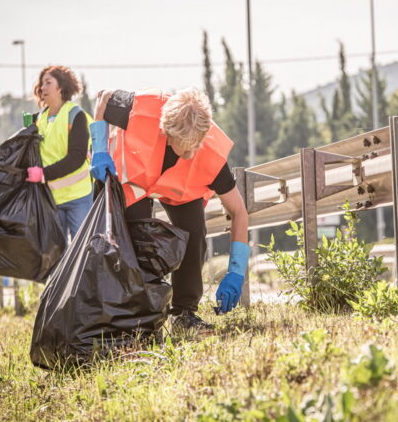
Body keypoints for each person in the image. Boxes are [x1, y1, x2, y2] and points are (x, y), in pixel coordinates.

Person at [89, 87, 249, 331]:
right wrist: (99, 149)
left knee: (194, 237)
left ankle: (184, 315)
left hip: (182, 189)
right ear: (167, 132)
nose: (191, 154)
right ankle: (136, 319)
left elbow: (239, 211)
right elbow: (102, 97)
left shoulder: (210, 157)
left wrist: (236, 271)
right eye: (185, 148)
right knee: (135, 243)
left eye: (197, 145)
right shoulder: (140, 112)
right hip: (135, 178)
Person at [25, 65, 93, 243]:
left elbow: (76, 158)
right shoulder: (39, 120)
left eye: (48, 82)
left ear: (60, 87)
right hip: (51, 198)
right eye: (41, 83)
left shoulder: (75, 115)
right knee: (56, 257)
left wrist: (43, 174)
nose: (42, 87)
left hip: (78, 197)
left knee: (82, 251)